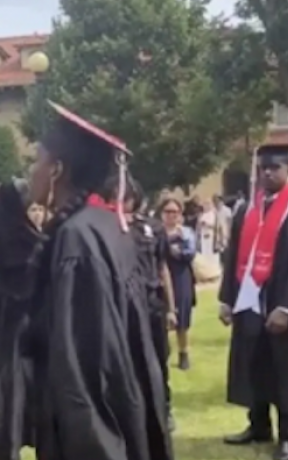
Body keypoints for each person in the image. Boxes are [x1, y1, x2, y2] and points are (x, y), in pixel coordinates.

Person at [0, 101, 173, 460]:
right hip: (124, 407)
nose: (31, 172)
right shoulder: (103, 226)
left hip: (95, 433)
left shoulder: (77, 238)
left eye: (36, 161)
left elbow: (81, 370)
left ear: (56, 170)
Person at [218, 143, 288, 460]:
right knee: (253, 365)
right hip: (249, 300)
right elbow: (233, 255)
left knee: (284, 370)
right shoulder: (248, 209)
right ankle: (258, 425)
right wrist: (226, 298)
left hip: (281, 303)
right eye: (264, 169)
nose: (268, 173)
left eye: (275, 168)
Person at [102, 174, 178, 431]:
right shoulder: (106, 229)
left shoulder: (152, 228)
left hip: (151, 303)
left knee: (158, 360)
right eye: (114, 198)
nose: (121, 202)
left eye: (125, 197)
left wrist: (171, 308)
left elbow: (163, 268)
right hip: (121, 307)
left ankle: (164, 408)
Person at [159, 197, 197, 370]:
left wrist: (173, 248)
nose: (171, 215)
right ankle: (162, 353)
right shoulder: (156, 232)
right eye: (168, 211)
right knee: (160, 319)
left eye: (175, 212)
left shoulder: (186, 233)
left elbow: (189, 253)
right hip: (160, 277)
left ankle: (184, 354)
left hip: (181, 277)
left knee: (182, 319)